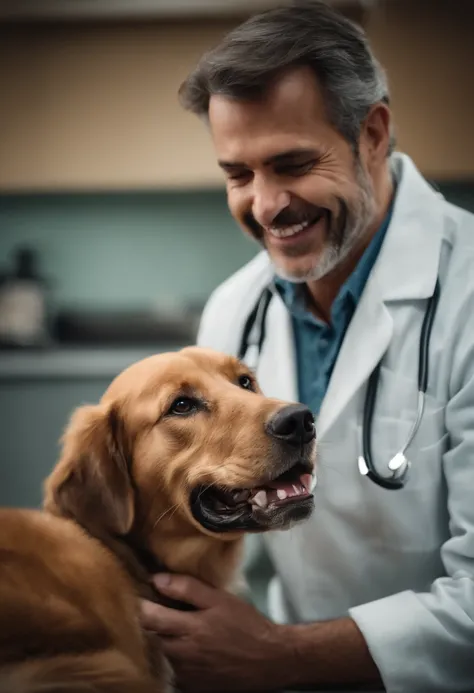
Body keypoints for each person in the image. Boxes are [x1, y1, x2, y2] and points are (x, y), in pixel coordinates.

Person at [140, 1, 474, 691]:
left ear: (373, 133)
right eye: (237, 174)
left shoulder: (465, 292)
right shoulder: (235, 313)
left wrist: (280, 654)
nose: (265, 205)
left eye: (291, 163)